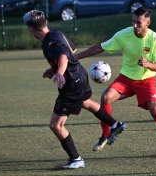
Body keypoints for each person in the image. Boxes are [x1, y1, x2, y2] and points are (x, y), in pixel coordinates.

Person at [23, 10, 126, 169]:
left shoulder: (50, 42)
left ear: (31, 29)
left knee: (55, 125)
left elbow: (64, 55)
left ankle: (76, 159)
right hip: (80, 74)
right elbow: (72, 49)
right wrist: (55, 68)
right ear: (46, 22)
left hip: (71, 84)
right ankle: (114, 125)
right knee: (86, 102)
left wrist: (59, 71)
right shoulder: (56, 33)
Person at [75, 7, 156, 157]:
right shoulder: (124, 35)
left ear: (148, 23)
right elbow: (101, 47)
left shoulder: (154, 38)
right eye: (133, 22)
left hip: (147, 80)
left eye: (139, 23)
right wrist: (76, 57)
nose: (135, 25)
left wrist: (148, 64)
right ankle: (106, 134)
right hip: (126, 79)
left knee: (155, 111)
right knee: (106, 98)